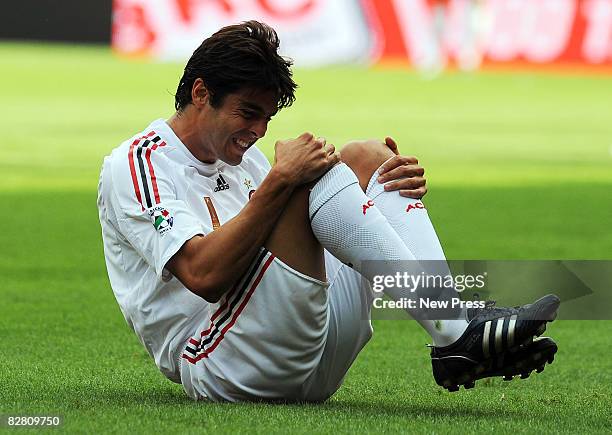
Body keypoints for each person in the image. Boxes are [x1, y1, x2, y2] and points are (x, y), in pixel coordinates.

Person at [97, 21, 559, 402]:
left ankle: (452, 328)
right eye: (248, 112)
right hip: (221, 361)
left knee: (368, 157)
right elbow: (203, 275)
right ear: (201, 93)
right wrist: (280, 182)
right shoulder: (139, 163)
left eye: (267, 118)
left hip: (314, 360)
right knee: (306, 177)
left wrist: (384, 192)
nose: (258, 131)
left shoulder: (245, 160)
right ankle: (456, 332)